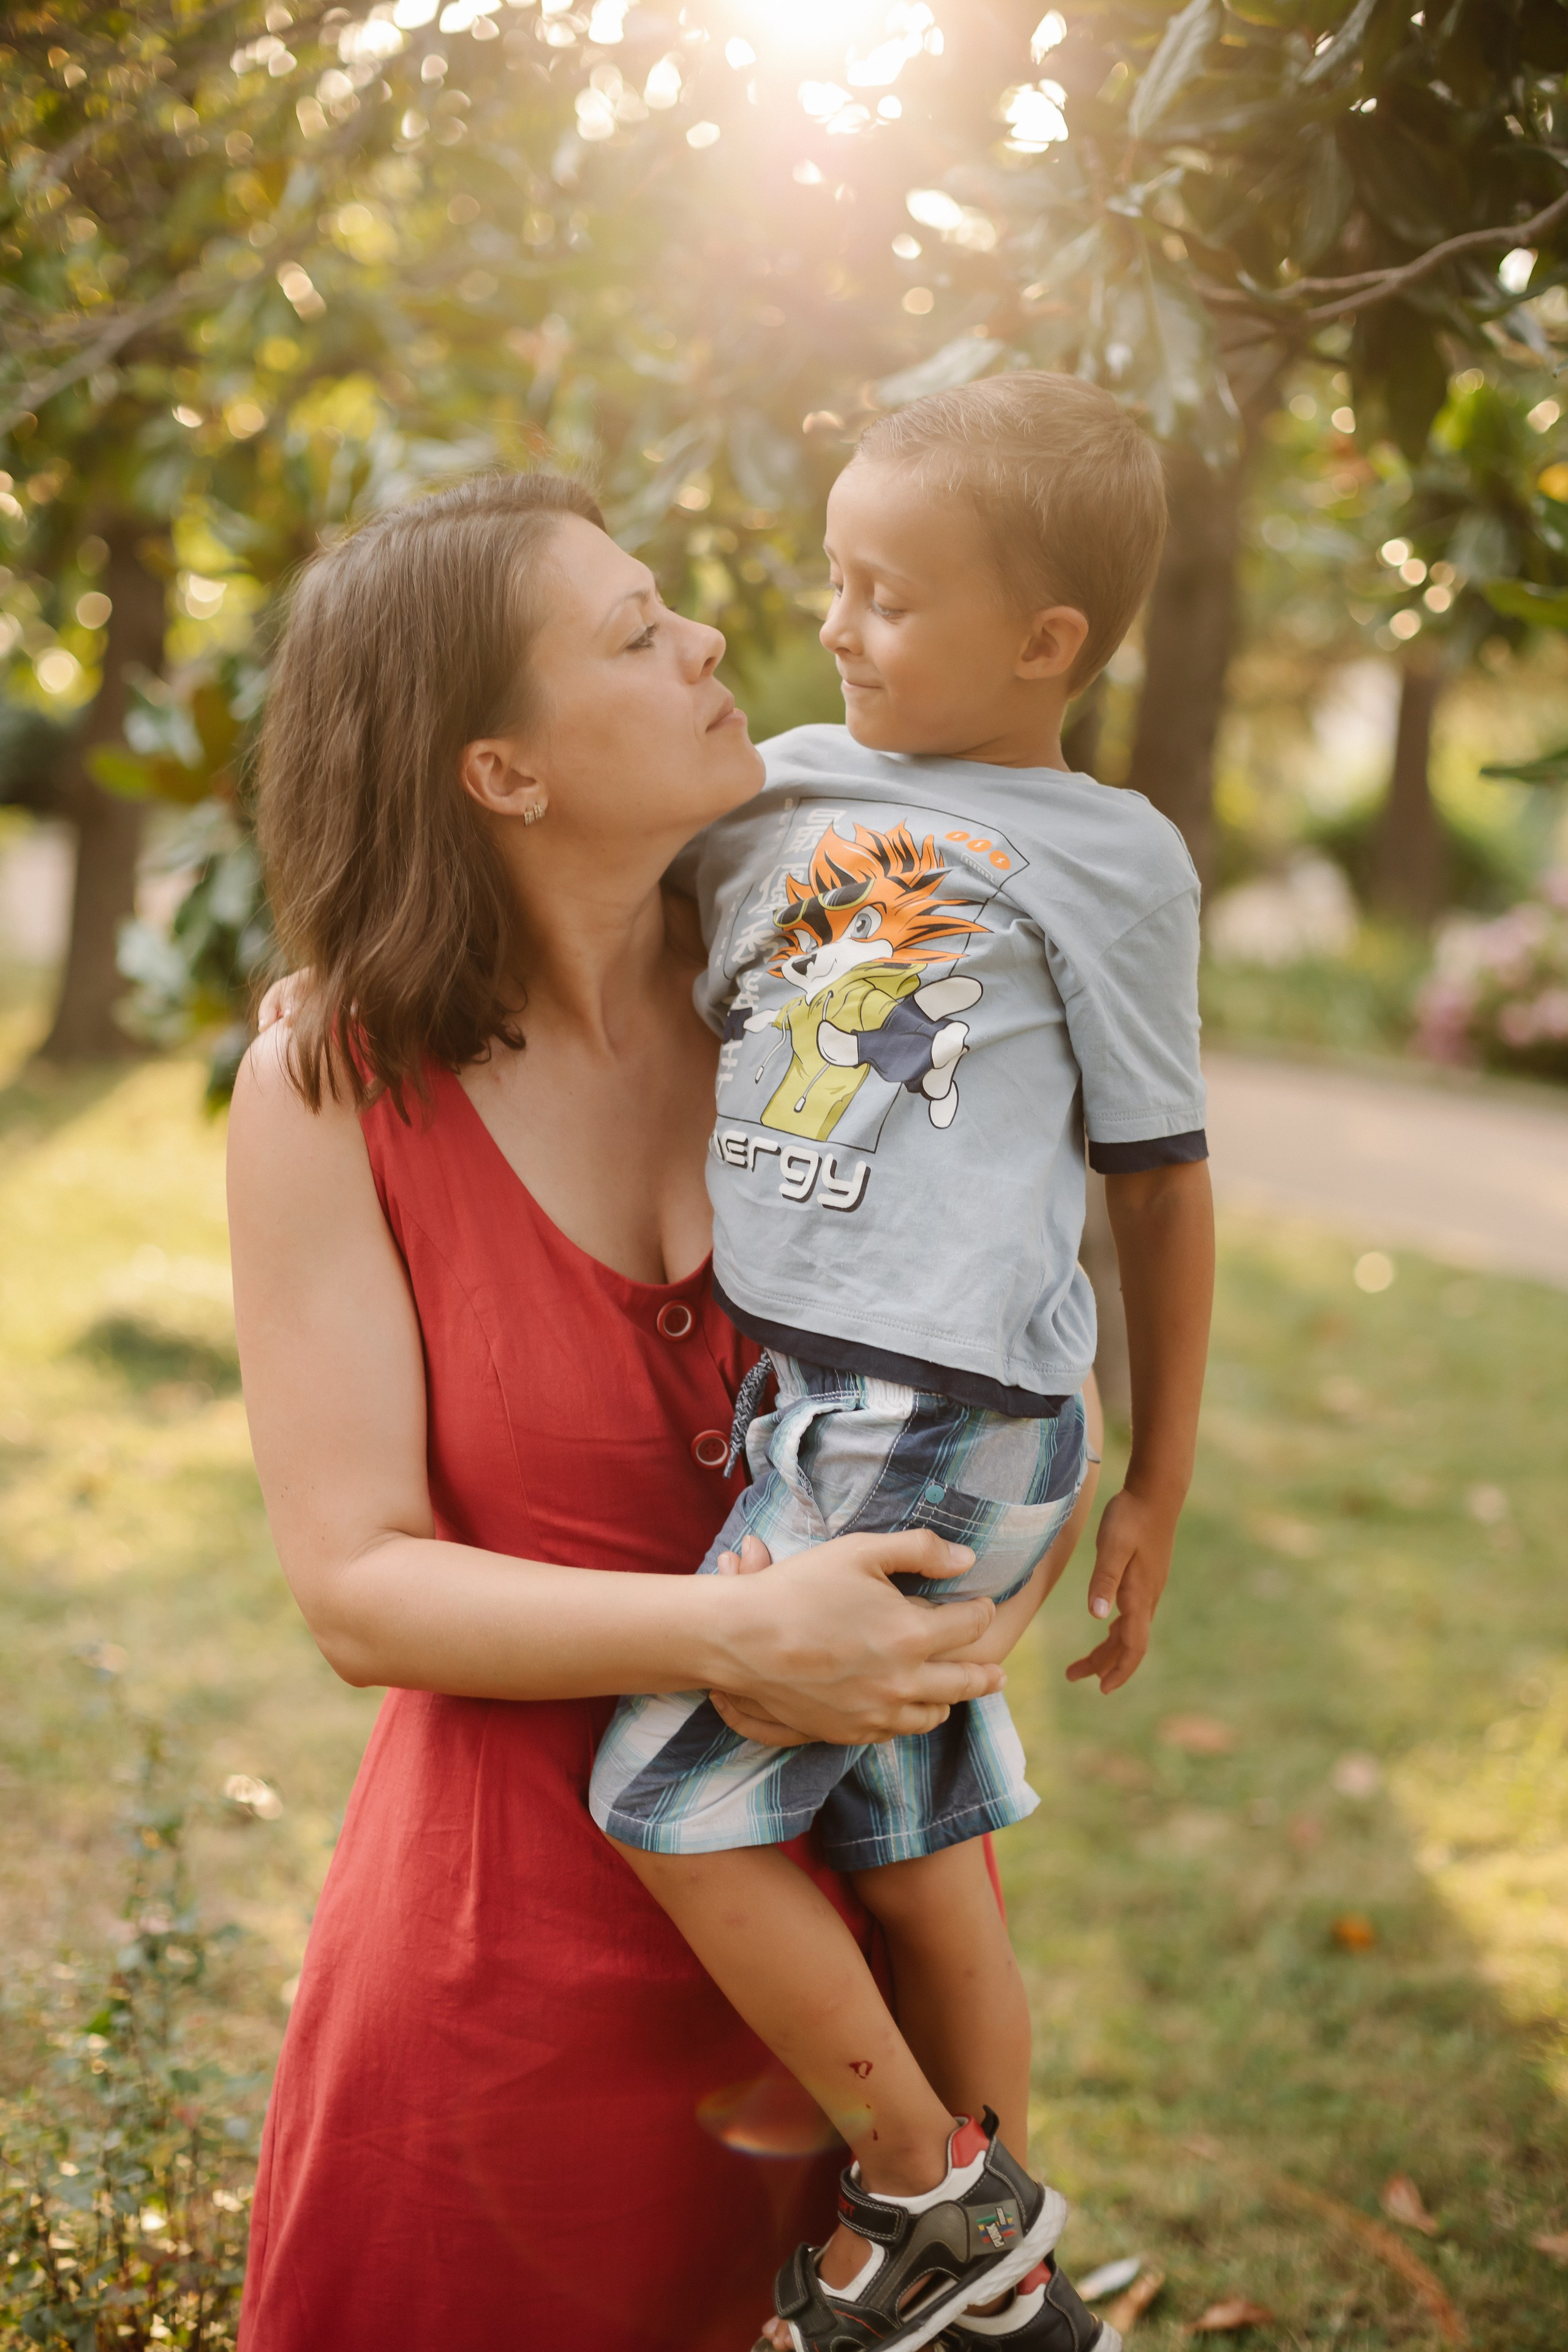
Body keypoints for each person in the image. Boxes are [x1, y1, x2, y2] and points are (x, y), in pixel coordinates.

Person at [226, 471, 1096, 2352]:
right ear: (502, 774)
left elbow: (1027, 1339)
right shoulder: (329, 1076)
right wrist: (740, 1631)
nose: (709, 643)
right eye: (633, 634)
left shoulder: (842, 987)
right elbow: (356, 1586)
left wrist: (989, 1601)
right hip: (501, 1982)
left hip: (861, 1960)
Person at [588, 374, 1215, 2352]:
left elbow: (1162, 1185)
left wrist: (1162, 1478)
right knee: (924, 1865)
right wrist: (350, 967)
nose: (837, 625)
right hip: (827, 1404)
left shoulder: (1108, 861)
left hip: (938, 1413)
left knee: (666, 1795)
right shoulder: (766, 786)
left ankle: (928, 2195)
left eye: (891, 595)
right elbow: (565, 901)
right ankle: (1004, 2290)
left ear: (1049, 646)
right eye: (834, 580)